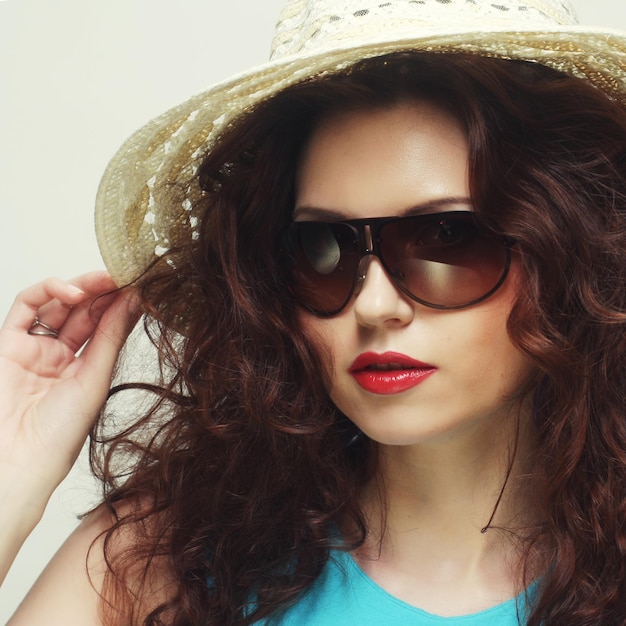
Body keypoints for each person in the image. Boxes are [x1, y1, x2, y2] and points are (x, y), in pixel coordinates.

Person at [2, 0, 626, 623]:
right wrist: (13, 472)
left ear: (572, 255)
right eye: (323, 250)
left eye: (445, 240)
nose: (374, 305)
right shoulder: (161, 560)